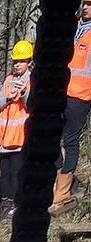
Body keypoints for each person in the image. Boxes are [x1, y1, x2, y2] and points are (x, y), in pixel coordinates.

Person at [53, 0, 91, 215]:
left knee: (71, 141)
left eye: (90, 4)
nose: (85, 7)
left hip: (81, 97)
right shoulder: (73, 27)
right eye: (84, 3)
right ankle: (58, 179)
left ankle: (62, 192)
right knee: (51, 136)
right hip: (60, 93)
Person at [0, 40, 32, 222]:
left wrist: (24, 94)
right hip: (3, 138)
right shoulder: (8, 80)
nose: (17, 65)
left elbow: (34, 106)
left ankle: (14, 206)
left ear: (29, 61)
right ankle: (5, 205)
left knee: (16, 173)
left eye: (21, 61)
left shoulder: (33, 80)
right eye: (15, 61)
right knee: (4, 173)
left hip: (20, 137)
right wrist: (8, 97)